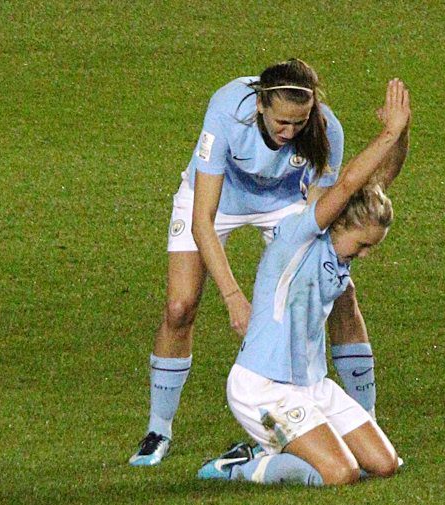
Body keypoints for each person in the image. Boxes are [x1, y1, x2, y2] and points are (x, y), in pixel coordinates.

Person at [130, 59, 380, 466]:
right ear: (261, 106)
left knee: (342, 296)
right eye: (282, 122)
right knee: (179, 307)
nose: (290, 132)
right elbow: (202, 221)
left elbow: (317, 221)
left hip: (283, 205)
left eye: (299, 123)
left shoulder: (326, 129)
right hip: (217, 201)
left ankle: (365, 420)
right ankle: (158, 429)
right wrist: (233, 297)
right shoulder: (229, 109)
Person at [196, 78, 411, 486]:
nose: (365, 255)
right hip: (263, 388)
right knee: (339, 474)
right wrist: (386, 133)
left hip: (313, 385)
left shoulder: (340, 247)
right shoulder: (300, 235)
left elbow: (378, 181)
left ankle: (285, 445)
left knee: (384, 465)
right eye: (364, 245)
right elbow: (347, 184)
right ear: (341, 222)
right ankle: (243, 467)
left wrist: (402, 132)